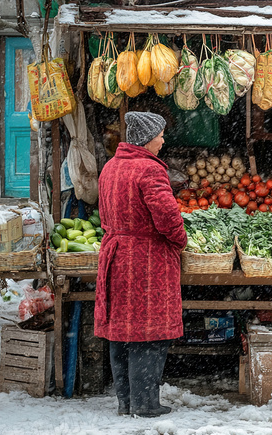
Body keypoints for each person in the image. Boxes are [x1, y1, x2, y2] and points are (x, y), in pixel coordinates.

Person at [95, 111, 187, 418]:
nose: (163, 140)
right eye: (160, 134)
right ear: (147, 138)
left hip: (116, 254)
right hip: (146, 260)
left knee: (121, 330)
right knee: (149, 331)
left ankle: (126, 401)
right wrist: (180, 241)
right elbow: (167, 217)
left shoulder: (110, 167)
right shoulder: (149, 170)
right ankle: (146, 404)